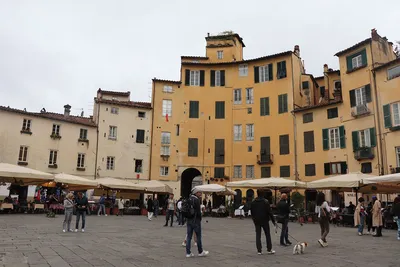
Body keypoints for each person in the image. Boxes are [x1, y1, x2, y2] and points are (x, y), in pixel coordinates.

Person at [250, 190, 276, 255]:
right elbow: (269, 212)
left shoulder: (253, 202)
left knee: (258, 235)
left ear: (257, 194)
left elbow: (252, 212)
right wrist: (273, 221)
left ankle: (259, 251)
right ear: (263, 194)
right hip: (265, 220)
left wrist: (254, 219)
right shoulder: (265, 201)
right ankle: (269, 249)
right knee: (267, 234)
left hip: (257, 220)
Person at [185, 188, 209, 258]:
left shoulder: (189, 198)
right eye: (199, 192)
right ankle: (200, 251)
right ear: (196, 193)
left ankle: (188, 253)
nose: (201, 194)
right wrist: (200, 218)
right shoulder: (196, 200)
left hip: (189, 220)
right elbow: (198, 211)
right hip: (196, 220)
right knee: (198, 236)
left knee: (189, 236)